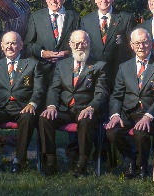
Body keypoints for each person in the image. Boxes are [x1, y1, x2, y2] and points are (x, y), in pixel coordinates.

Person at [106, 28, 154, 178]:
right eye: (137, 43)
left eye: (144, 42)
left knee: (141, 133)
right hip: (129, 112)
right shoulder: (124, 67)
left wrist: (149, 116)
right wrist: (115, 115)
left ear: (151, 43)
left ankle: (143, 166)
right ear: (131, 45)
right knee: (112, 132)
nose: (141, 46)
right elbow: (117, 95)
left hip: (151, 113)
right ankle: (130, 160)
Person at [39, 30, 108, 176]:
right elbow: (54, 88)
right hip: (65, 110)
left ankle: (82, 164)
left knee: (86, 121)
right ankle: (50, 161)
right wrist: (51, 106)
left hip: (86, 109)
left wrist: (91, 107)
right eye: (76, 43)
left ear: (89, 43)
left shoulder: (99, 65)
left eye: (83, 42)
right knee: (45, 118)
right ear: (70, 45)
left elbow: (101, 93)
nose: (79, 46)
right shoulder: (62, 65)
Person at [0, 30, 42, 173]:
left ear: (21, 46)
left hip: (23, 107)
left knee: (28, 117)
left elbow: (39, 89)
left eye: (14, 43)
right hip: (0, 107)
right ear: (1, 46)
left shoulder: (32, 64)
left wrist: (32, 103)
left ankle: (18, 160)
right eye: (7, 43)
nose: (10, 46)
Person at [80, 0, 131, 92]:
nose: (104, 0)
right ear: (95, 0)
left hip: (118, 73)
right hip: (95, 74)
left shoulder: (126, 18)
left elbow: (132, 48)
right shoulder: (86, 20)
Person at [25, 0, 78, 77]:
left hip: (68, 71)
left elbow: (81, 43)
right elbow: (28, 44)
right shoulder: (36, 17)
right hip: (42, 72)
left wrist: (67, 53)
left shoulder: (74, 17)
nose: (53, 0)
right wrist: (42, 53)